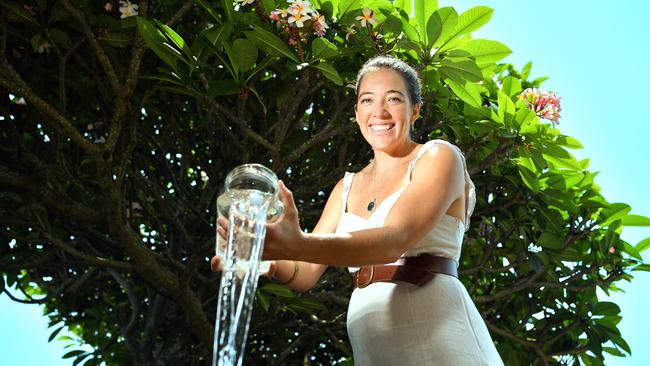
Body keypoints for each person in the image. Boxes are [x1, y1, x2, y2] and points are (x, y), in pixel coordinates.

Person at [212, 55, 503, 365]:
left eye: (393, 99)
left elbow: (394, 239)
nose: (379, 112)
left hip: (437, 329)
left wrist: (296, 243)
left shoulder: (439, 157)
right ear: (356, 112)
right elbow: (304, 272)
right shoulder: (346, 187)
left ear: (415, 110)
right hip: (374, 347)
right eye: (367, 100)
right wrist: (261, 254)